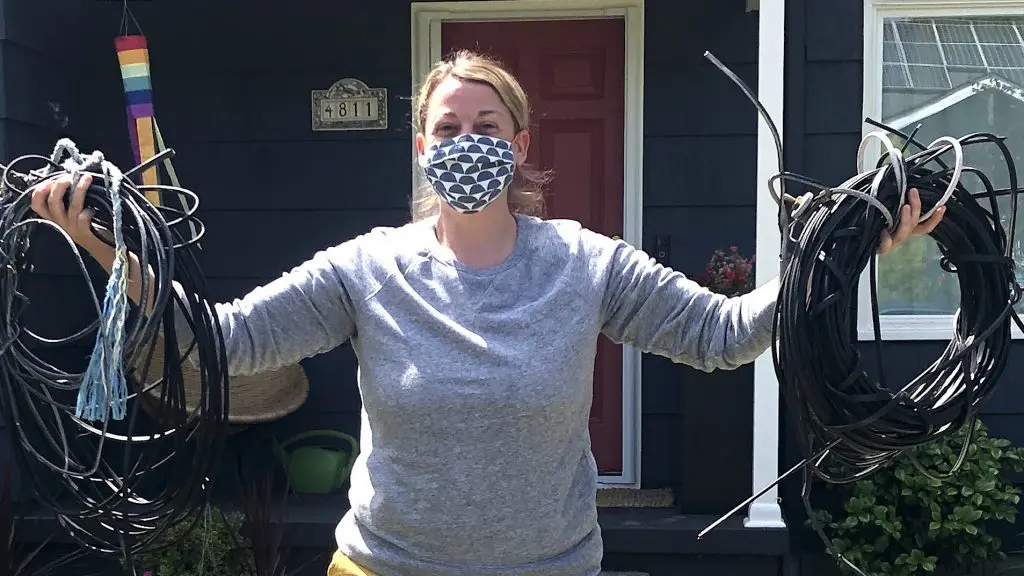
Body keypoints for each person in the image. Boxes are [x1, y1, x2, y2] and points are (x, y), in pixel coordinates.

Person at [31, 50, 943, 576]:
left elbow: (721, 335)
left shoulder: (584, 263)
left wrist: (844, 249)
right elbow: (225, 341)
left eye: (487, 128)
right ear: (421, 147)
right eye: (448, 129)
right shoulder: (366, 268)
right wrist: (112, 249)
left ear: (520, 143)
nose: (467, 143)